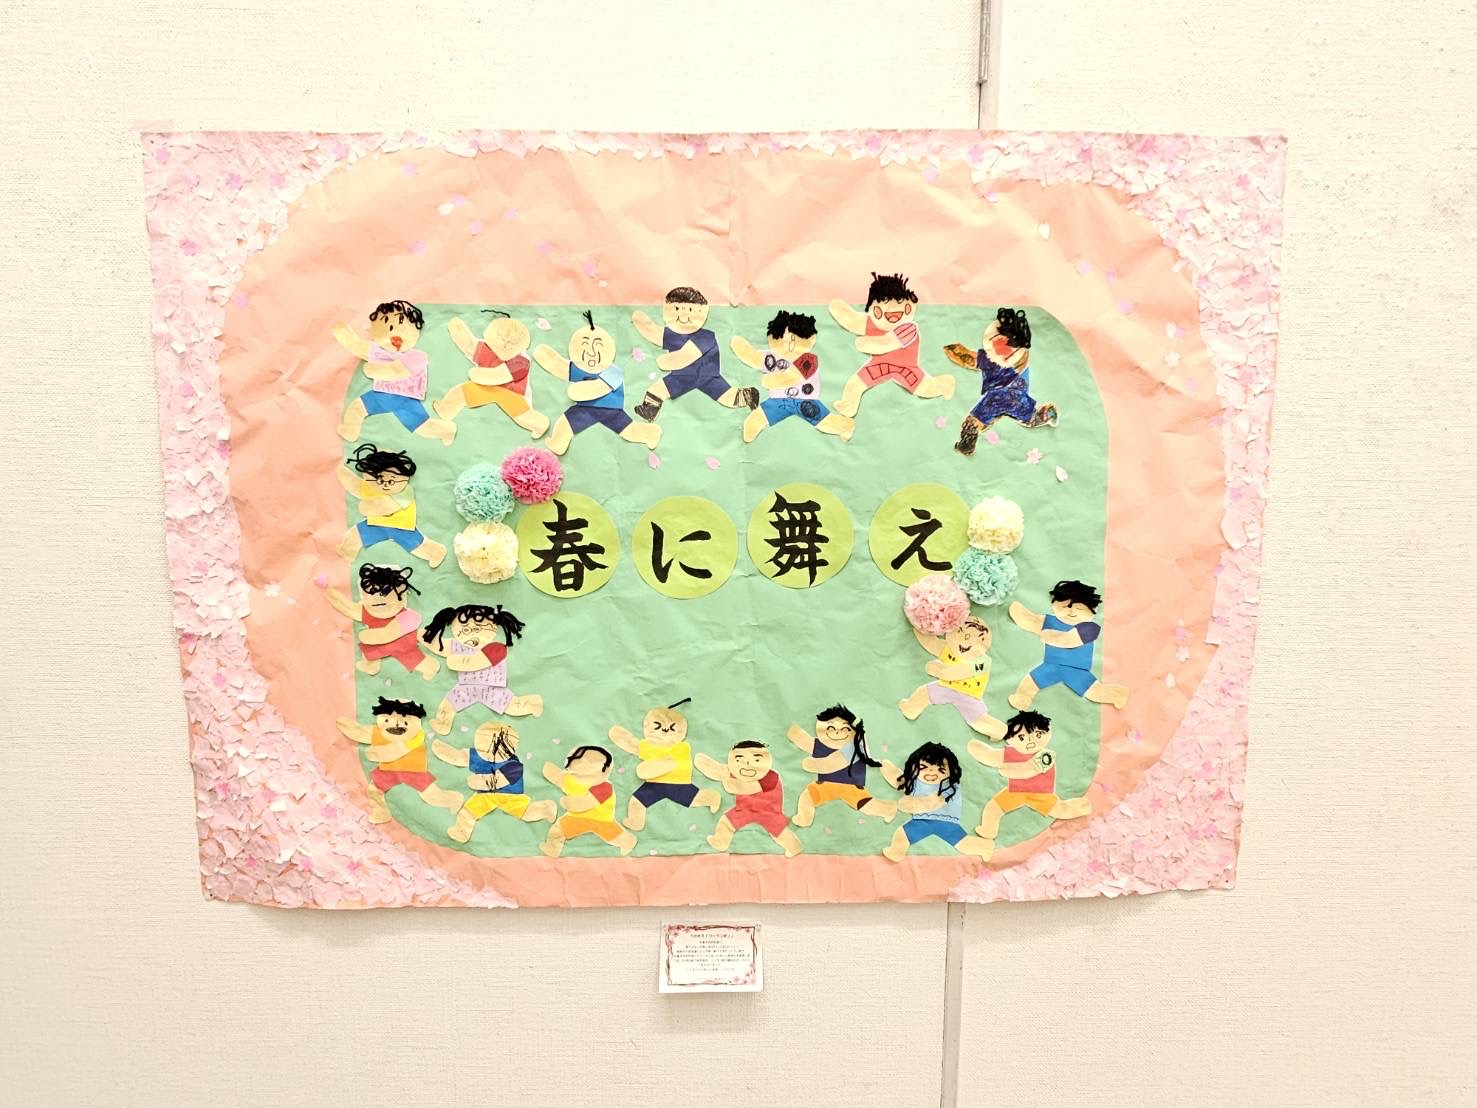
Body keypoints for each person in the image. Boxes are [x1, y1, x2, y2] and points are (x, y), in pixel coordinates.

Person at [532, 311, 661, 454]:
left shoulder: (613, 372)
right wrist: (547, 358)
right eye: (585, 345)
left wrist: (578, 391)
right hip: (584, 408)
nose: (591, 352)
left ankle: (650, 434)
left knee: (628, 431)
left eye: (597, 345)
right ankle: (558, 443)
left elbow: (600, 387)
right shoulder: (578, 368)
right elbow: (561, 367)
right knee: (565, 423)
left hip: (610, 409)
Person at [827, 272, 954, 417]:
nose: (892, 314)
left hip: (906, 369)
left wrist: (865, 343)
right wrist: (841, 312)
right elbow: (854, 321)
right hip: (878, 365)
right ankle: (848, 406)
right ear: (875, 310)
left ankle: (944, 384)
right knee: (856, 384)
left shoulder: (908, 329)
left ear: (909, 307)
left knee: (925, 388)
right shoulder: (873, 323)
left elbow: (888, 343)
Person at [331, 300, 455, 444]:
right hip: (382, 394)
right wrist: (345, 336)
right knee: (357, 408)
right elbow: (357, 347)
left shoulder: (417, 357)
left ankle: (447, 430)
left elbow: (396, 371)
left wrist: (373, 370)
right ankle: (350, 431)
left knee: (422, 427)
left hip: (406, 398)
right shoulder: (379, 351)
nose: (394, 334)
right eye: (389, 327)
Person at [967, 711, 1091, 852]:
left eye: (1038, 735)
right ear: (1010, 738)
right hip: (1015, 792)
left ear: (1048, 732)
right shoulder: (1011, 752)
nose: (1030, 741)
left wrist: (1008, 771)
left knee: (1060, 810)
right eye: (1021, 737)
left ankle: (1083, 807)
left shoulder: (1046, 755)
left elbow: (1029, 769)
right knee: (994, 808)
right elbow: (993, 757)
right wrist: (981, 752)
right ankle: (989, 830)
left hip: (1040, 794)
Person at [943, 307, 1058, 456]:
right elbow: (969, 358)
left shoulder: (995, 359)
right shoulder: (1016, 356)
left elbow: (968, 359)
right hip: (1016, 396)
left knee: (973, 423)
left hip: (998, 397)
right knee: (1028, 416)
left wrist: (952, 350)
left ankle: (967, 445)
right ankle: (1045, 414)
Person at [631, 287, 758, 421]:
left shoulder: (705, 336)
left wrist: (666, 361)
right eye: (677, 309)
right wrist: (642, 323)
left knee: (725, 396)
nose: (683, 316)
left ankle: (749, 395)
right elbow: (655, 334)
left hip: (703, 374)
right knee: (726, 396)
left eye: (690, 310)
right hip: (685, 375)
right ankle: (748, 395)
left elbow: (687, 355)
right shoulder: (672, 334)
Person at [729, 310, 854, 442]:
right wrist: (742, 348)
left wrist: (770, 381)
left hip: (805, 400)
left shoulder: (808, 359)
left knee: (824, 422)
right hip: (778, 401)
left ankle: (845, 426)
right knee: (757, 418)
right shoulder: (773, 357)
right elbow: (755, 358)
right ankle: (749, 434)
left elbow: (791, 377)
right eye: (783, 338)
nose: (790, 342)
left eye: (795, 338)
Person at [335, 697, 464, 824]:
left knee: (430, 795)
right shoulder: (379, 732)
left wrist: (377, 753)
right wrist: (347, 726)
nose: (396, 725)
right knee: (374, 790)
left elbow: (397, 750)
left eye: (406, 723)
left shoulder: (416, 735)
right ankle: (381, 813)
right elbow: (361, 732)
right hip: (388, 770)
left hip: (414, 770)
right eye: (387, 720)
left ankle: (453, 799)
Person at [421, 604, 543, 734]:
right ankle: (442, 723)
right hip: (466, 686)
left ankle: (532, 704)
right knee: (449, 704)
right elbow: (441, 647)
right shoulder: (460, 645)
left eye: (477, 628)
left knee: (510, 705)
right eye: (465, 630)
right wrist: (423, 636)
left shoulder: (496, 648)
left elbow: (473, 662)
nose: (471, 632)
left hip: (490, 687)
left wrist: (453, 661)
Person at [1008, 581, 1129, 710]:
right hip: (1051, 664)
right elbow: (1032, 621)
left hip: (1076, 668)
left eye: (1079, 609)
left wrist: (1047, 635)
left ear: (1092, 609)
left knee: (1093, 692)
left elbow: (1069, 640)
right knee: (1031, 681)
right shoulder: (1050, 621)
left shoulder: (1090, 627)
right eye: (1065, 607)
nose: (1071, 611)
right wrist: (1021, 614)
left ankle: (1117, 694)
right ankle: (1022, 698)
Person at [432, 722, 556, 843]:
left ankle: (546, 808)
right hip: (486, 795)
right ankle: (461, 832)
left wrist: (477, 782)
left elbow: (497, 781)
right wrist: (443, 751)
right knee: (468, 812)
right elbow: (459, 757)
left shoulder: (513, 765)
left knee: (526, 812)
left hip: (509, 796)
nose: (488, 752)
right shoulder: (480, 755)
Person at [607, 699, 720, 831]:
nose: (665, 730)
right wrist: (621, 736)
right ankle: (636, 820)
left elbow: (674, 762)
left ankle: (712, 798)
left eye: (672, 728)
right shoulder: (649, 746)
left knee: (694, 799)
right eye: (657, 726)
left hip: (679, 783)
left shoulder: (681, 747)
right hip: (654, 784)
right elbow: (633, 745)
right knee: (637, 801)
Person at [433, 310, 549, 437]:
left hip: (513, 394)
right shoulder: (489, 349)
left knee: (523, 415)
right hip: (488, 388)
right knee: (460, 392)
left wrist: (477, 374)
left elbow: (496, 376)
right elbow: (470, 346)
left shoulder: (521, 362)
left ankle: (541, 424)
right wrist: (458, 330)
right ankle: (445, 410)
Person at [334, 443, 446, 566]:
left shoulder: (405, 492)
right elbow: (354, 485)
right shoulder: (370, 487)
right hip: (376, 524)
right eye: (380, 480)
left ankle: (436, 553)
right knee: (356, 534)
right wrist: (342, 472)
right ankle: (346, 552)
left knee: (417, 545)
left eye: (392, 481)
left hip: (402, 526)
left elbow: (388, 505)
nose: (385, 484)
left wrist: (369, 507)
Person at [879, 742, 994, 861]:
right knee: (903, 834)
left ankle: (985, 847)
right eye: (923, 767)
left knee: (961, 843)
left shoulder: (949, 785)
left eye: (940, 769)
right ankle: (896, 852)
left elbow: (932, 802)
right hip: (922, 820)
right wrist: (889, 770)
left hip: (945, 820)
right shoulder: (916, 781)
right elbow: (902, 782)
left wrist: (910, 804)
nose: (931, 772)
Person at [786, 705, 896, 826]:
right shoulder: (821, 744)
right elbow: (807, 743)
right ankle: (804, 817)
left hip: (850, 786)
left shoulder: (853, 749)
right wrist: (796, 735)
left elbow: (831, 764)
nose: (837, 732)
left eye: (845, 729)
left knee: (865, 804)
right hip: (826, 785)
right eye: (831, 728)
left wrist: (813, 764)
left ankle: (887, 809)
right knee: (807, 796)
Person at [898, 616, 1006, 738]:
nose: (964, 639)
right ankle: (910, 708)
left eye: (970, 637)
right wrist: (919, 626)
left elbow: (960, 671)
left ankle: (998, 731)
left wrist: (939, 670)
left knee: (977, 719)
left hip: (969, 694)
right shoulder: (951, 648)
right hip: (946, 687)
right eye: (960, 632)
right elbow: (932, 644)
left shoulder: (982, 662)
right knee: (924, 693)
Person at [325, 563, 438, 679]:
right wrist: (332, 595)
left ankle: (431, 667)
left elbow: (387, 633)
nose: (379, 598)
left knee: (412, 657)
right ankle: (370, 665)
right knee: (370, 651)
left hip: (401, 645)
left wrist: (367, 636)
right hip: (378, 646)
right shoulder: (368, 611)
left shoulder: (407, 616)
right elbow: (349, 608)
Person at [694, 741, 802, 856]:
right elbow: (719, 771)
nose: (747, 764)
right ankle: (720, 842)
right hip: (744, 808)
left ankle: (794, 846)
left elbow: (748, 788)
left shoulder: (770, 777)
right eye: (739, 760)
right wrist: (706, 765)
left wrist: (730, 784)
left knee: (778, 831)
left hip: (768, 810)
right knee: (726, 822)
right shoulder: (736, 772)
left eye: (756, 760)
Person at [538, 745, 637, 856]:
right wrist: (549, 769)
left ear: (605, 769)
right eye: (579, 758)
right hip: (576, 817)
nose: (584, 762)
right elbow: (557, 777)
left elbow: (585, 803)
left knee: (615, 836)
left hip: (601, 819)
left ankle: (629, 842)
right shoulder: (570, 779)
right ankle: (552, 849)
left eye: (591, 761)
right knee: (557, 831)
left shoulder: (604, 787)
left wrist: (567, 802)